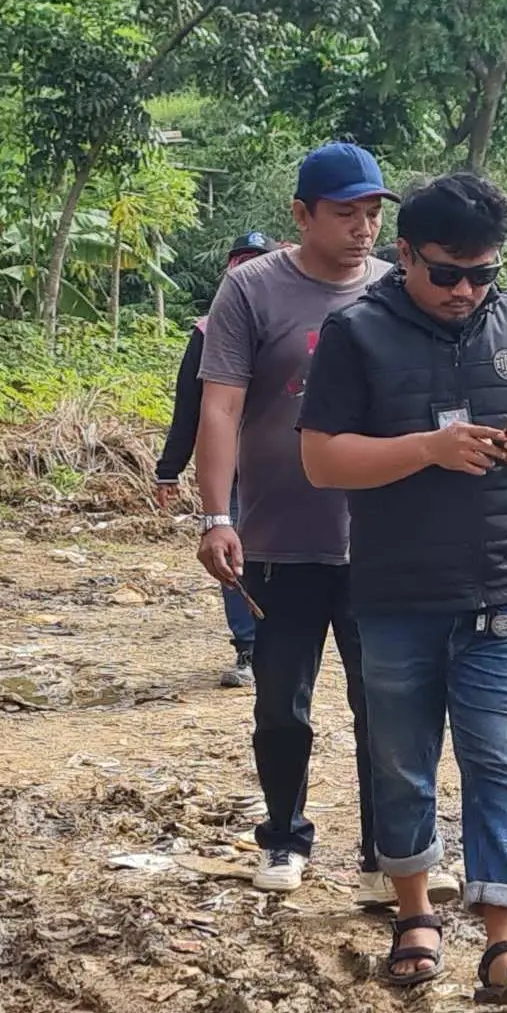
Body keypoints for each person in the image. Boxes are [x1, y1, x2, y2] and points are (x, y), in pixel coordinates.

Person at [295, 172, 507, 1004]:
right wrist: (426, 449)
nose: (464, 290)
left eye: (481, 273)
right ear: (403, 254)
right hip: (395, 592)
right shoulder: (355, 333)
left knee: (496, 758)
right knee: (402, 760)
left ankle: (504, 940)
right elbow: (321, 459)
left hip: (500, 590)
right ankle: (414, 913)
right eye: (445, 272)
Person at [195, 144, 407, 905]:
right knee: (281, 703)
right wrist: (218, 513)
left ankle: (389, 850)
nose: (363, 229)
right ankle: (284, 836)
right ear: (302, 214)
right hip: (278, 538)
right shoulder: (251, 291)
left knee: (383, 703)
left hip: (379, 540)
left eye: (373, 214)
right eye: (345, 213)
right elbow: (219, 404)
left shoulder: (396, 291)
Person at [155, 232, 282, 689]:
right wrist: (169, 468)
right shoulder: (208, 331)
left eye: (255, 262)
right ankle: (248, 647)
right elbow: (192, 406)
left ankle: (290, 636)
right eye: (240, 263)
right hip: (233, 461)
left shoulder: (296, 319)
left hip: (290, 461)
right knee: (234, 547)